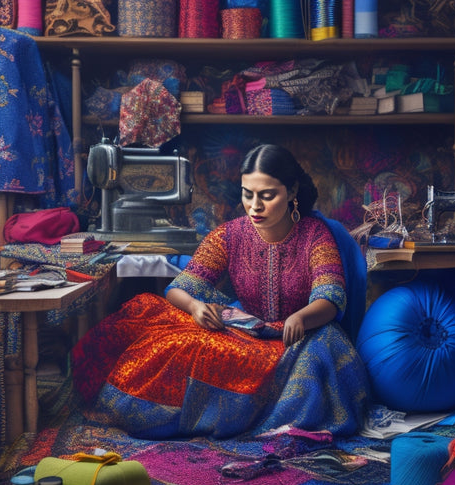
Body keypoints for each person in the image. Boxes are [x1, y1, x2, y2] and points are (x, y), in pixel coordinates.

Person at [72, 144, 370, 439]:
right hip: (245, 333)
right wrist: (195, 308)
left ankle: (262, 421)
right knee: (173, 343)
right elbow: (179, 289)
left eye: (267, 196)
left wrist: (303, 317)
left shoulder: (314, 235)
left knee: (322, 357)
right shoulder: (230, 235)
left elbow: (330, 297)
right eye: (247, 194)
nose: (255, 206)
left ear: (292, 192)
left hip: (299, 340)